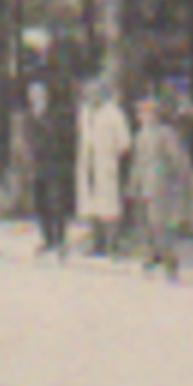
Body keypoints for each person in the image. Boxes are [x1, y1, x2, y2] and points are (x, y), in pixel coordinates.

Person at [130, 96, 189, 279]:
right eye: (142, 113)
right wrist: (133, 183)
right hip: (145, 182)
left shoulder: (165, 133)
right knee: (146, 222)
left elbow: (177, 157)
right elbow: (137, 161)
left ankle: (169, 258)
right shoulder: (140, 135)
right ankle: (152, 254)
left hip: (160, 181)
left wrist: (178, 178)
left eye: (148, 112)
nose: (144, 117)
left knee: (159, 222)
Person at [77, 79, 131, 256]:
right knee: (91, 205)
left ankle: (112, 244)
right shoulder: (85, 112)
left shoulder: (114, 113)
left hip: (106, 163)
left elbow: (124, 143)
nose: (92, 97)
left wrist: (110, 155)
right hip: (88, 163)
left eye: (96, 93)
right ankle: (96, 242)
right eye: (89, 94)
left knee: (109, 207)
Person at [22, 81, 73, 255]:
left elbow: (62, 138)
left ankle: (60, 240)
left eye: (41, 94)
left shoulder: (55, 115)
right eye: (34, 95)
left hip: (54, 164)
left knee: (57, 202)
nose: (37, 98)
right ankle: (47, 238)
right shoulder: (27, 116)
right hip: (37, 166)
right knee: (40, 203)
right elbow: (26, 141)